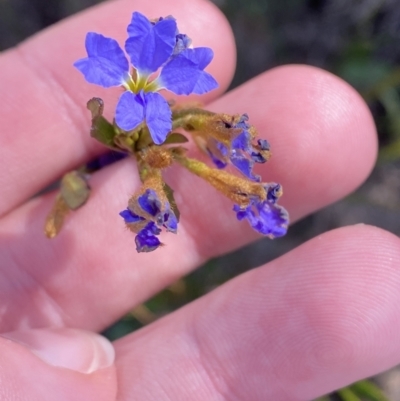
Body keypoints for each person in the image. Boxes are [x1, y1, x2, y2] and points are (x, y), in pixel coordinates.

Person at [0, 0, 399, 400]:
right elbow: (135, 129)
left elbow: (155, 134)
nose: (139, 83)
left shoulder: (156, 106)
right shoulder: (138, 97)